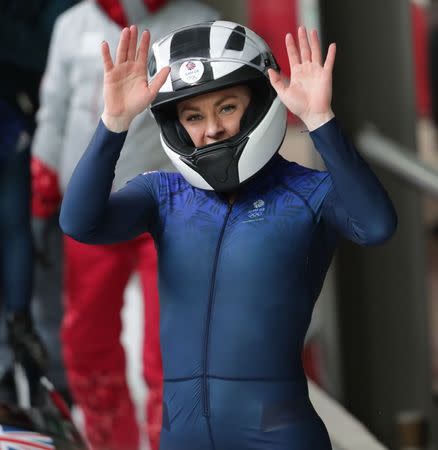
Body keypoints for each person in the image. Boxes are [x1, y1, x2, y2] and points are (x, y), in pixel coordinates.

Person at [59, 21, 397, 450]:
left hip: (279, 437)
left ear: (257, 104)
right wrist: (114, 123)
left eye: (227, 107)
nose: (212, 129)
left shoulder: (308, 192)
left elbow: (377, 225)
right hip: (182, 439)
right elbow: (79, 223)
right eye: (193, 116)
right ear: (177, 125)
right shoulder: (162, 194)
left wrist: (320, 121)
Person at [31, 1, 219, 449]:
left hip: (175, 207)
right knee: (87, 335)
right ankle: (107, 440)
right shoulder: (72, 24)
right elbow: (53, 108)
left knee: (171, 343)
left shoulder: (200, 23)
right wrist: (44, 183)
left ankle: (170, 441)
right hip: (94, 204)